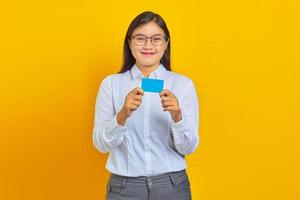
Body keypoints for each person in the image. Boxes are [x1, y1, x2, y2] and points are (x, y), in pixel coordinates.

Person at [92, 11, 200, 200]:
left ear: (166, 44)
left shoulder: (183, 85)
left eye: (156, 39)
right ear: (130, 43)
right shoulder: (111, 84)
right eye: (140, 38)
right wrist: (122, 115)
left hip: (172, 186)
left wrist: (178, 117)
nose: (148, 45)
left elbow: (188, 148)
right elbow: (101, 144)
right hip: (124, 188)